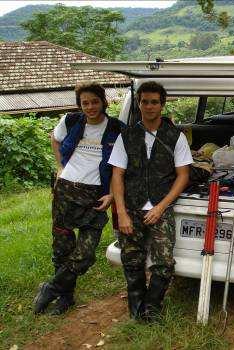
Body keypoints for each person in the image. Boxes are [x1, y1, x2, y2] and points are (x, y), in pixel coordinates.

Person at [34, 82, 124, 315]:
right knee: (62, 248)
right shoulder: (71, 121)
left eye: (95, 101)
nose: (91, 106)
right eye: (85, 103)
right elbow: (55, 139)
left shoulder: (116, 129)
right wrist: (60, 167)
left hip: (96, 196)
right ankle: (65, 298)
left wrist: (113, 194)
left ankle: (51, 288)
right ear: (80, 105)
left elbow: (122, 166)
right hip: (66, 190)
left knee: (85, 254)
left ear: (104, 101)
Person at [108, 81, 192, 321]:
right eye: (145, 101)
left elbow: (183, 175)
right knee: (131, 260)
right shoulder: (127, 136)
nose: (149, 106)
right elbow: (117, 175)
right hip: (131, 208)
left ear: (162, 105)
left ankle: (152, 306)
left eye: (154, 102)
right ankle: (136, 307)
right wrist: (122, 213)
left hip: (160, 208)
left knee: (164, 262)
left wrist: (161, 206)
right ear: (139, 103)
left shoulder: (175, 137)